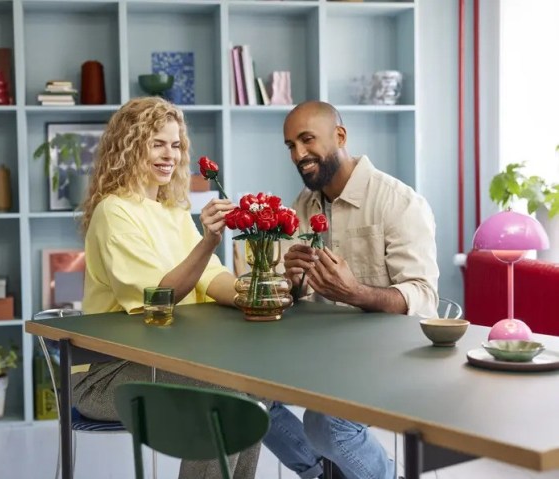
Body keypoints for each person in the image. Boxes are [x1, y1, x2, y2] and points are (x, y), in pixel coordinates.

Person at [73, 96, 260, 479]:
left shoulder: (174, 212)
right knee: (224, 401)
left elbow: (212, 278)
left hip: (170, 360)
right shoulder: (114, 212)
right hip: (107, 374)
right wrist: (208, 240)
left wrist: (259, 292)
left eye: (175, 145)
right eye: (157, 143)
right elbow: (159, 297)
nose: (169, 155)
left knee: (252, 392)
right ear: (129, 145)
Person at [263, 100, 439, 479]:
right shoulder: (304, 204)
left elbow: (424, 298)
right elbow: (296, 294)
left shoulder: (400, 203)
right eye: (291, 145)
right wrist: (291, 282)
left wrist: (355, 292)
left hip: (388, 356)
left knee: (327, 425)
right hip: (321, 351)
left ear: (339, 136)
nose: (298, 154)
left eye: (307, 140)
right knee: (243, 396)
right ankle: (321, 474)